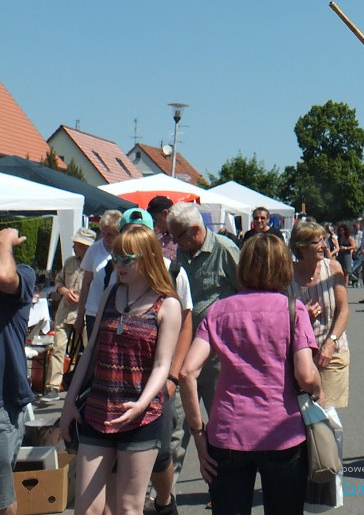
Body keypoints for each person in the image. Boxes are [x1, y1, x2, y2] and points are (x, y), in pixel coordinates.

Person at [179, 232, 321, 515]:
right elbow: (305, 374)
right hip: (282, 432)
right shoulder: (293, 310)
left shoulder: (219, 311)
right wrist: (318, 387)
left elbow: (186, 372)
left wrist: (198, 433)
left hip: (228, 432)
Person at [59, 224, 182, 515]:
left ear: (149, 257)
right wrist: (68, 403)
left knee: (129, 507)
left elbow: (163, 364)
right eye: (117, 257)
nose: (120, 264)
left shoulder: (168, 305)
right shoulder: (111, 292)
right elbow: (90, 351)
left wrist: (141, 404)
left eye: (128, 258)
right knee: (86, 509)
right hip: (98, 409)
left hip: (141, 417)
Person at [167, 202, 240, 475]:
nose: (173, 242)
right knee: (177, 422)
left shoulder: (225, 251)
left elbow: (248, 295)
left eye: (177, 237)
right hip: (185, 351)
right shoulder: (180, 256)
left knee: (222, 421)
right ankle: (163, 496)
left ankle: (223, 484)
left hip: (219, 355)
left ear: (195, 231)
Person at [289, 221, 349, 409]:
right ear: (302, 248)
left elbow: (344, 310)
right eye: (318, 242)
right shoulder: (286, 275)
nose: (324, 245)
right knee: (300, 420)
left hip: (332, 353)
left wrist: (330, 343)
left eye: (323, 240)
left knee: (328, 418)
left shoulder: (333, 268)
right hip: (298, 358)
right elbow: (276, 316)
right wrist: (300, 315)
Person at [0, 227, 36, 515]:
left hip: (3, 402)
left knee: (1, 496)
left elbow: (4, 276)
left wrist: (4, 241)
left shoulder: (23, 273)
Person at [40, 226, 97, 402]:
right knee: (58, 348)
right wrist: (64, 290)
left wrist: (82, 298)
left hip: (86, 312)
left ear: (86, 246)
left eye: (77, 244)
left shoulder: (97, 263)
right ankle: (53, 387)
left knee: (89, 351)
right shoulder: (70, 261)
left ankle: (88, 385)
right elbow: (58, 281)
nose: (73, 246)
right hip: (65, 311)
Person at [75, 210, 122, 338]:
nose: (106, 238)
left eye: (111, 234)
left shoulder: (125, 250)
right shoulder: (94, 249)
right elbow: (85, 284)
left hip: (116, 312)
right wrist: (80, 316)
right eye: (103, 233)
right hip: (94, 311)